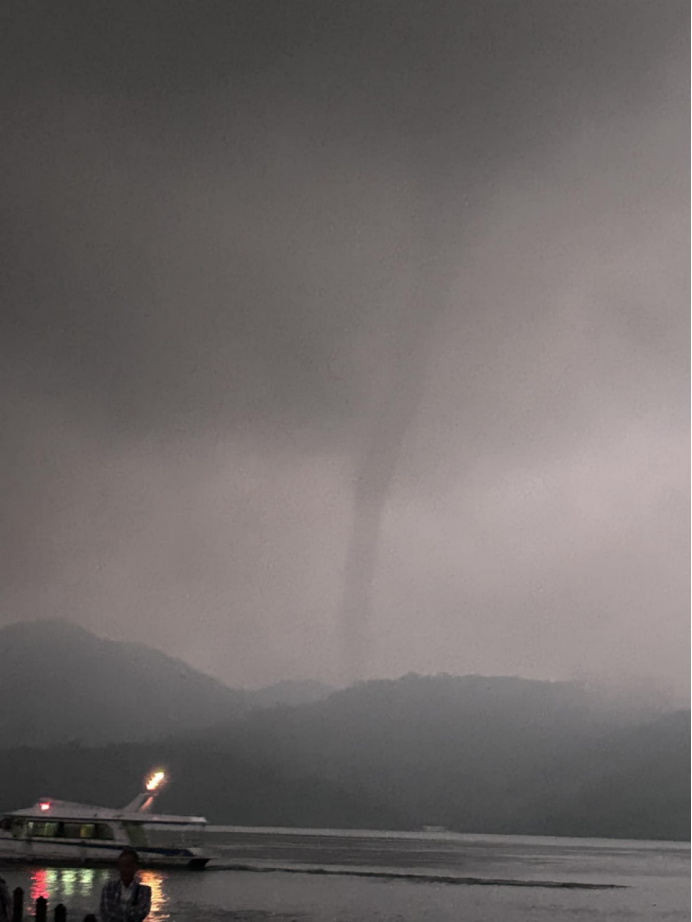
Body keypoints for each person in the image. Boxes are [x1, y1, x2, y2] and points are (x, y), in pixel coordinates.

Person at [99, 848, 151, 922]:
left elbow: (141, 913)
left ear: (135, 867)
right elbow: (106, 912)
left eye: (127, 866)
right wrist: (129, 912)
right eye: (122, 866)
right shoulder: (109, 888)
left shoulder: (144, 891)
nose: (124, 870)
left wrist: (118, 911)